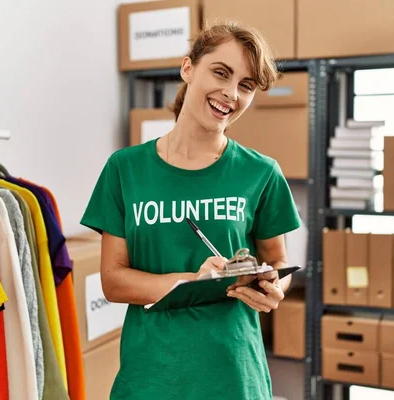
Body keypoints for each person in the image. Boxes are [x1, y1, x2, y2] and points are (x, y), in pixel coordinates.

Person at [80, 21, 302, 400]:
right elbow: (113, 281)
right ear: (188, 68)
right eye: (221, 72)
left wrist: (273, 287)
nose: (231, 94)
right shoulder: (125, 169)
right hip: (151, 376)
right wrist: (193, 281)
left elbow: (278, 262)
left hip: (234, 375)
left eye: (246, 85)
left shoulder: (261, 173)